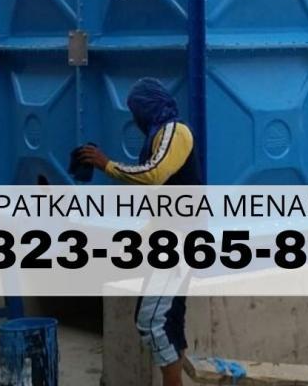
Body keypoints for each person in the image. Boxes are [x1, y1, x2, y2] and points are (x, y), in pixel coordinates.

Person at [79, 77, 202, 386]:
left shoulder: (175, 131)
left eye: (136, 111)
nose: (135, 120)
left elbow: (154, 175)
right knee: (167, 319)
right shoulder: (158, 136)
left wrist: (107, 164)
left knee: (152, 321)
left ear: (147, 108)